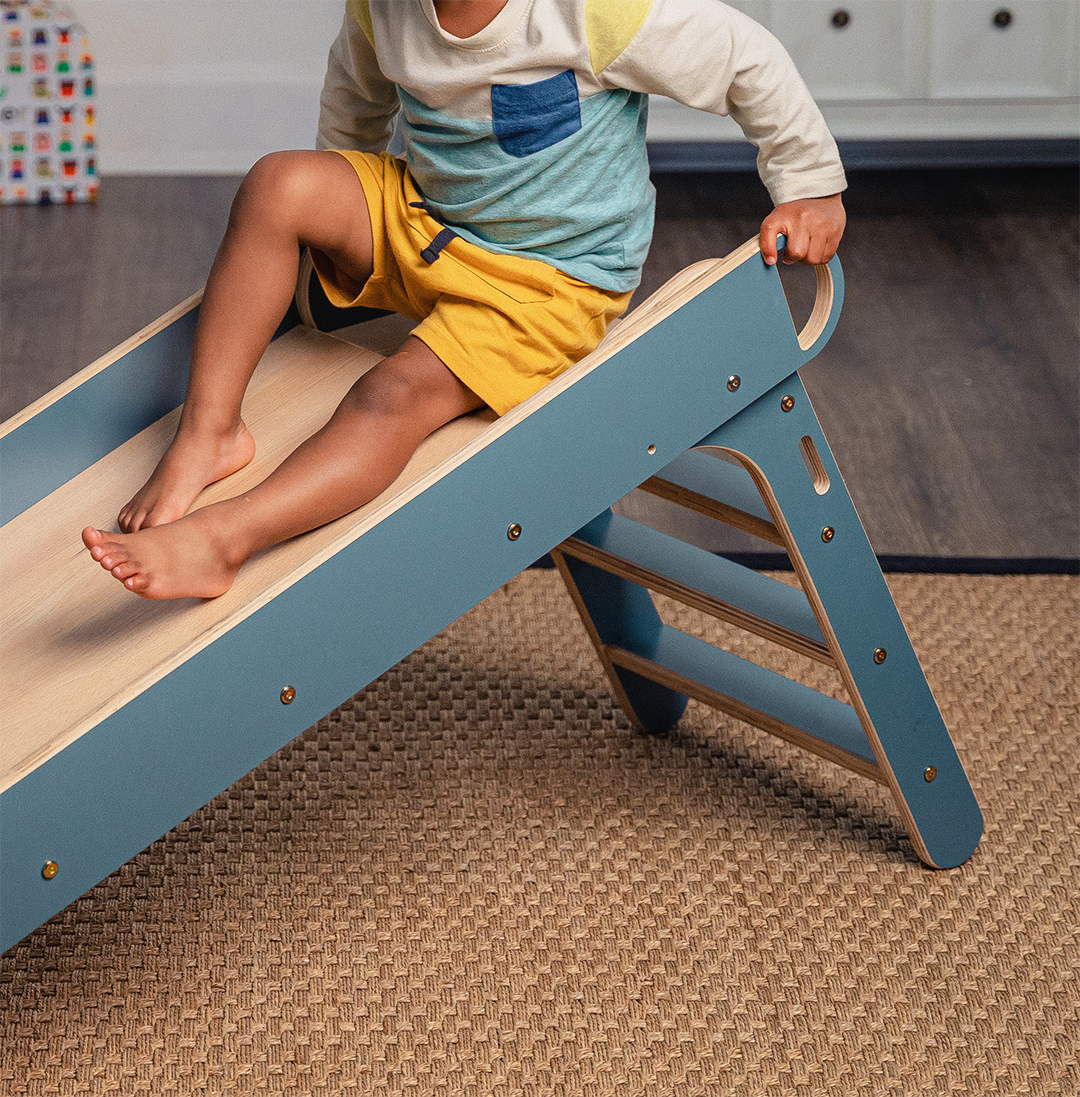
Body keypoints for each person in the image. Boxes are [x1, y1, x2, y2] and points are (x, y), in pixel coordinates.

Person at [83, 0, 847, 600]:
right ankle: (210, 432)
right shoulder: (384, 7)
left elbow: (746, 58)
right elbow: (355, 108)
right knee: (279, 185)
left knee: (391, 394)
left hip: (548, 282)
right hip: (433, 225)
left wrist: (809, 186)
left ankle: (226, 539)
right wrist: (328, 223)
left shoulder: (590, 11)